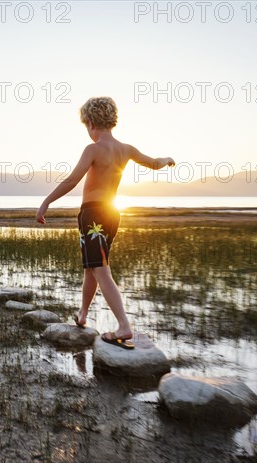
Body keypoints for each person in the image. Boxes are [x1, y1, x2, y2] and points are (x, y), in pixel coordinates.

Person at [36, 97, 175, 349]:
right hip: (112, 215)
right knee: (92, 266)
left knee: (101, 269)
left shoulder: (93, 149)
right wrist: (166, 159)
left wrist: (46, 202)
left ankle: (124, 325)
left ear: (90, 123)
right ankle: (83, 315)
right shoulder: (126, 149)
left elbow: (71, 181)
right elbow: (154, 163)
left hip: (92, 215)